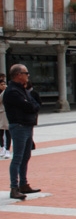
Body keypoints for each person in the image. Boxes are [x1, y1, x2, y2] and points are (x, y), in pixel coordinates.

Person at [4, 64, 40, 200]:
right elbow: (29, 106)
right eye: (26, 73)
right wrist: (32, 106)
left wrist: (33, 106)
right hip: (19, 126)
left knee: (25, 156)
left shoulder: (22, 89)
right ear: (18, 75)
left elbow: (35, 104)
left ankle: (23, 184)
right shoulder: (12, 91)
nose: (28, 75)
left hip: (27, 125)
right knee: (18, 157)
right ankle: (14, 187)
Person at [0, 75, 11, 159]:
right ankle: (2, 148)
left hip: (6, 113)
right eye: (1, 84)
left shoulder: (7, 92)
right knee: (0, 133)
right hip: (0, 114)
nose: (4, 86)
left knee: (8, 132)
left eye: (4, 84)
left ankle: (7, 149)